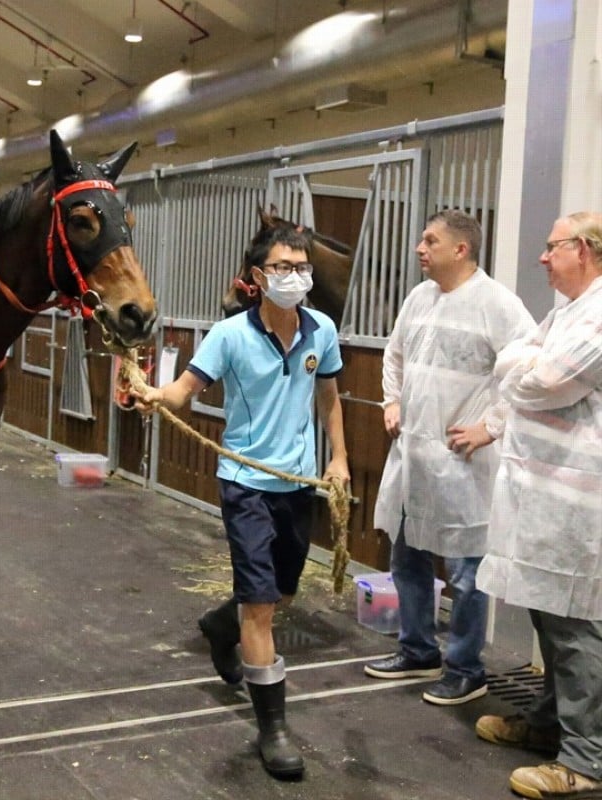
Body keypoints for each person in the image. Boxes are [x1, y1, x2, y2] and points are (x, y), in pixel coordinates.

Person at [135, 223, 348, 780]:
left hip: (297, 483)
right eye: (282, 267)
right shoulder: (228, 335)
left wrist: (339, 459)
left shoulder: (321, 329)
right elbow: (187, 389)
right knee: (259, 605)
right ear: (258, 277)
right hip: (246, 484)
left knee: (276, 595)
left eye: (302, 267)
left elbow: (328, 396)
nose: (295, 276)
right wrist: (157, 395)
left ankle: (217, 624)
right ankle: (272, 729)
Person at [364, 210, 534, 705]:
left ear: (461, 249)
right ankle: (417, 649)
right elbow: (393, 355)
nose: (420, 247)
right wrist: (391, 400)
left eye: (429, 240)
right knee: (407, 555)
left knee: (467, 572)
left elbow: (526, 375)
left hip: (462, 464)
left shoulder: (498, 305)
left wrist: (492, 427)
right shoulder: (419, 298)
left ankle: (466, 667)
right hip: (413, 456)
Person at [474, 211, 602, 799]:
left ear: (584, 248)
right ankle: (551, 726)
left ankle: (585, 761)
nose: (544, 259)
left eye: (552, 248)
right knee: (550, 619)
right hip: (544, 497)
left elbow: (544, 379)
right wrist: (523, 368)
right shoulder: (566, 312)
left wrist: (523, 369)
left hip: (579, 504)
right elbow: (518, 365)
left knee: (577, 629)